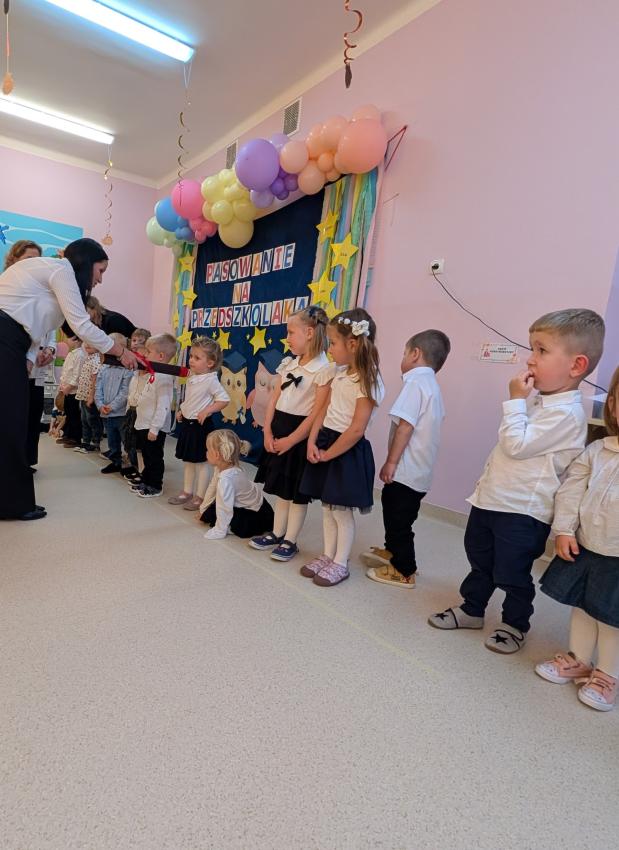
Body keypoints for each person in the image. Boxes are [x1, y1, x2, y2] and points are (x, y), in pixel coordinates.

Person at [429, 308, 605, 653]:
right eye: (532, 348)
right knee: (480, 561)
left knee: (512, 573)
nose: (530, 359)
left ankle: (514, 624)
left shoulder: (567, 415)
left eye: (542, 350)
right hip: (492, 500)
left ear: (576, 366)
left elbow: (516, 445)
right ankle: (472, 609)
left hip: (523, 512)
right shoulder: (539, 402)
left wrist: (514, 401)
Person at [0, 237, 138, 520]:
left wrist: (28, 357)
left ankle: (12, 500)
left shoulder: (54, 276)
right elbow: (81, 325)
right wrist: (119, 350)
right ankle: (13, 504)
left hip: (13, 340)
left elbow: (35, 325)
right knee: (11, 423)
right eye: (100, 270)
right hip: (5, 337)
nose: (100, 280)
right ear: (86, 263)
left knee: (12, 421)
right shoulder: (60, 270)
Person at [535, 365, 619, 711]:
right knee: (583, 605)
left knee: (612, 617)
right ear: (613, 404)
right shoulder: (597, 451)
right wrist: (565, 529)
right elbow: (571, 491)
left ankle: (607, 675)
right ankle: (579, 659)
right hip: (586, 544)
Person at [299, 308, 384, 587]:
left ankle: (340, 562)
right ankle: (328, 554)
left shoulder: (368, 380)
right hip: (326, 442)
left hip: (346, 449)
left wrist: (328, 454)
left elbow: (357, 428)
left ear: (353, 344)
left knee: (341, 511)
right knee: (327, 508)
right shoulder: (339, 374)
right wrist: (312, 441)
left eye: (333, 343)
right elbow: (323, 410)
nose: (330, 348)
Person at [362, 329, 451, 587]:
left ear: (415, 354)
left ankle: (404, 569)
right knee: (397, 513)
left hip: (407, 470)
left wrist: (391, 462)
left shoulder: (416, 383)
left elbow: (405, 426)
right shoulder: (431, 385)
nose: (402, 358)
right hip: (418, 470)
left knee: (398, 519)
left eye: (404, 353)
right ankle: (393, 552)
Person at [250, 306, 332, 561]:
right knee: (281, 489)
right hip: (278, 429)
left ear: (310, 333)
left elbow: (317, 413)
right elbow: (274, 399)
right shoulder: (289, 363)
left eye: (291, 332)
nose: (287, 338)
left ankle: (291, 540)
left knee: (296, 493)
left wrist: (292, 440)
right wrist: (267, 430)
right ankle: (277, 532)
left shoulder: (324, 369)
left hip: (299, 435)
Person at [3, 240, 53, 470]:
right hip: (14, 363)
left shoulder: (44, 292)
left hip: (37, 370)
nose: (34, 264)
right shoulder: (7, 288)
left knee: (32, 417)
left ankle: (26, 461)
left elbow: (49, 329)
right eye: (28, 259)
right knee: (11, 417)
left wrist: (50, 349)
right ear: (14, 260)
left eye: (37, 260)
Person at [168, 337, 229, 511]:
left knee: (201, 463)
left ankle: (200, 496)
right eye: (191, 356)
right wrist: (182, 410)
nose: (191, 360)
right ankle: (187, 491)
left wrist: (208, 410)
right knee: (188, 461)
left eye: (197, 358)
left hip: (200, 427)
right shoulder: (193, 376)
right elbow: (192, 399)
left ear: (210, 363)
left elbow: (224, 400)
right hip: (188, 424)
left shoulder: (211, 380)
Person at [198, 430, 274, 540]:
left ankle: (231, 527)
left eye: (208, 450)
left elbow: (224, 508)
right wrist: (203, 509)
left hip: (254, 513)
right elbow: (213, 487)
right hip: (254, 505)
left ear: (217, 455)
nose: (206, 452)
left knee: (218, 513)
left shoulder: (226, 480)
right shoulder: (228, 467)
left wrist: (219, 530)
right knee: (212, 510)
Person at [129, 333, 176, 498]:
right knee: (146, 455)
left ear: (161, 356)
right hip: (144, 423)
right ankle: (146, 480)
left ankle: (155, 485)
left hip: (154, 427)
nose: (146, 355)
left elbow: (163, 406)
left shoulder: (164, 377)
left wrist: (155, 428)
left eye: (149, 352)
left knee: (154, 457)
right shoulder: (152, 373)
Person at [95, 333, 133, 474]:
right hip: (106, 412)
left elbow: (125, 391)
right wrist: (100, 405)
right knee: (112, 440)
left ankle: (131, 465)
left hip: (121, 413)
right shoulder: (103, 368)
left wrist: (112, 406)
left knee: (126, 440)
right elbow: (98, 388)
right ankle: (115, 461)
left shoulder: (127, 369)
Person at [74, 343, 103, 453]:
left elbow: (95, 380)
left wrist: (91, 397)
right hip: (83, 395)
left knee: (92, 419)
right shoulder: (88, 358)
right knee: (84, 420)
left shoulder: (96, 360)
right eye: (86, 342)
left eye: (91, 342)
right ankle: (86, 442)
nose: (87, 345)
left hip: (90, 396)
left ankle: (95, 442)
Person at [57, 334, 84, 447]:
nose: (66, 340)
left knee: (74, 414)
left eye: (68, 338)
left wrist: (69, 387)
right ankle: (68, 434)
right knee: (68, 413)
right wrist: (62, 385)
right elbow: (66, 371)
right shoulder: (71, 353)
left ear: (76, 340)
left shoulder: (80, 355)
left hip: (74, 391)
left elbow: (77, 374)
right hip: (66, 389)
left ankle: (75, 438)